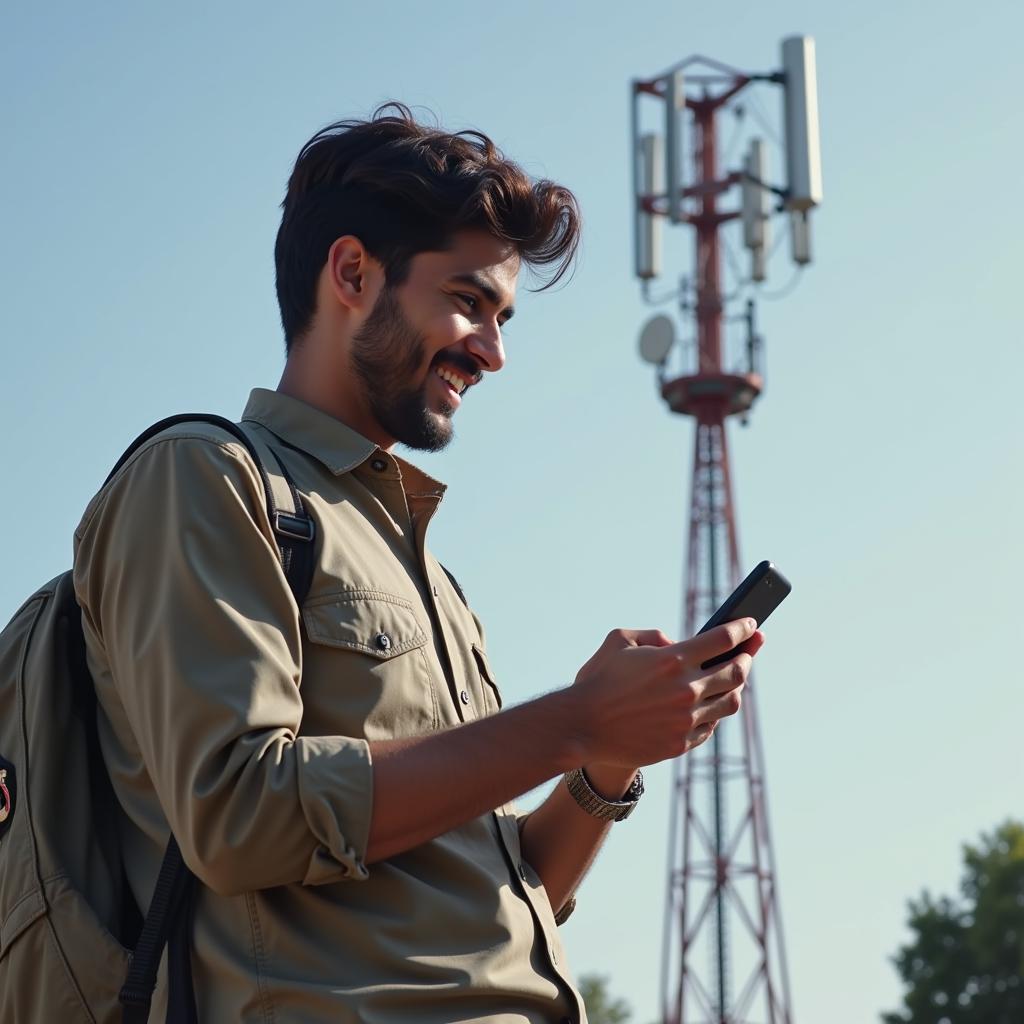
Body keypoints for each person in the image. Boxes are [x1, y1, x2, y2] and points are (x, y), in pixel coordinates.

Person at [73, 104, 763, 1023]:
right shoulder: (206, 477)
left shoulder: (429, 572)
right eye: (470, 301)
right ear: (352, 273)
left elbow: (495, 904)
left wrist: (603, 762)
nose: (495, 351)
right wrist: (571, 720)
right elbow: (236, 817)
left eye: (504, 316)